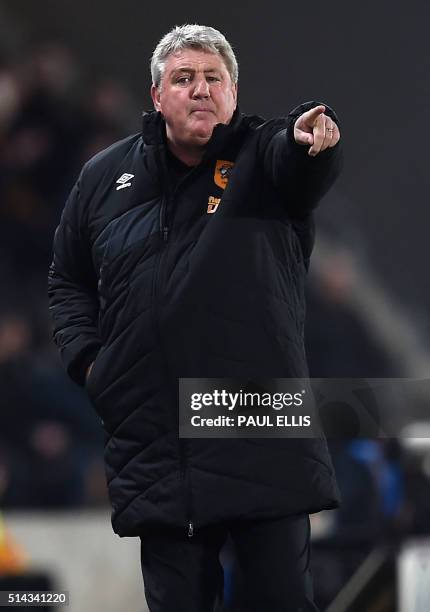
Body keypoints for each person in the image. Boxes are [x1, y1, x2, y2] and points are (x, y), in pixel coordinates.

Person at [48, 24, 343, 612]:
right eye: (184, 78)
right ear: (156, 97)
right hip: (157, 434)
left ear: (234, 94)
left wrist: (309, 137)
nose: (200, 89)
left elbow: (298, 161)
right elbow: (67, 282)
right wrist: (92, 364)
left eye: (214, 78)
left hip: (257, 424)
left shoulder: (263, 156)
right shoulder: (102, 179)